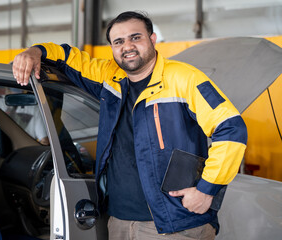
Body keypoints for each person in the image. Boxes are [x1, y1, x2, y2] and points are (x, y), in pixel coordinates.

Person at [13, 11, 247, 240]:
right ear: (112, 48)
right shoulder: (109, 78)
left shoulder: (184, 78)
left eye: (136, 37)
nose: (127, 46)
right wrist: (34, 52)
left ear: (152, 39)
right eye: (119, 41)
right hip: (119, 222)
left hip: (174, 224)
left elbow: (231, 128)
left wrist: (207, 189)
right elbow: (66, 56)